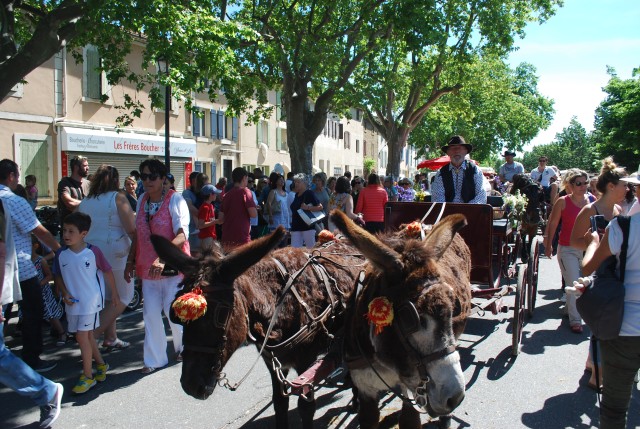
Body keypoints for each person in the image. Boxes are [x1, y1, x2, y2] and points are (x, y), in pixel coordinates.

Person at [0, 199, 64, 427]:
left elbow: (2, 250)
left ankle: (46, 391)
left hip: (25, 275)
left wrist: (62, 252)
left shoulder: (6, 202)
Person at [124, 159, 190, 374]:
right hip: (147, 270)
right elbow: (138, 235)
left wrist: (162, 258)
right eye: (144, 176)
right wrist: (130, 261)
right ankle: (154, 359)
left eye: (153, 176)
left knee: (175, 312)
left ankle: (183, 348)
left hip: (172, 268)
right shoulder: (141, 199)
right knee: (150, 314)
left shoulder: (175, 200)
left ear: (163, 179)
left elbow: (182, 235)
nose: (148, 181)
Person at [569, 158, 628, 386]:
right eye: (624, 185)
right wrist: (595, 244)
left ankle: (591, 362)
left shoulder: (619, 210)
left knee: (605, 320)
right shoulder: (589, 210)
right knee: (603, 318)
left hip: (616, 270)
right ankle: (597, 371)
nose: (628, 189)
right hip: (597, 270)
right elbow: (574, 240)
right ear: (611, 186)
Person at [0, 159, 61, 372]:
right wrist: (60, 249)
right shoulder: (14, 200)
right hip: (20, 267)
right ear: (10, 177)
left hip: (3, 268)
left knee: (3, 312)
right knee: (33, 313)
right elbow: (38, 230)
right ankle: (31, 359)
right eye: (17, 175)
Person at [582, 212, 640, 429]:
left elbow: (589, 267)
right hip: (625, 328)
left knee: (615, 409)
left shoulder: (623, 226)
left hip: (625, 328)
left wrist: (593, 243)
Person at [53, 212, 116, 393]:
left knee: (82, 337)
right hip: (72, 303)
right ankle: (101, 365)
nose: (66, 235)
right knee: (86, 337)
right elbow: (57, 275)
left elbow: (108, 271)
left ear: (83, 233)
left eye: (71, 231)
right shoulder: (60, 254)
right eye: (64, 230)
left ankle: (87, 377)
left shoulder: (93, 252)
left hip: (91, 301)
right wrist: (64, 293)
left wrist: (115, 295)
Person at [78, 165, 136, 351]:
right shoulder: (118, 198)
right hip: (116, 253)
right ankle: (91, 337)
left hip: (90, 252)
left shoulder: (85, 201)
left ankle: (111, 338)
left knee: (107, 298)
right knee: (124, 297)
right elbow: (132, 230)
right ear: (116, 181)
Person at [543, 169, 594, 333]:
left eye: (585, 183)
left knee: (586, 284)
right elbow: (553, 223)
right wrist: (548, 244)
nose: (583, 186)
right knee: (574, 283)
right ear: (571, 186)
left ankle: (569, 308)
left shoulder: (592, 201)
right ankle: (575, 320)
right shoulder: (563, 201)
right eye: (579, 183)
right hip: (567, 249)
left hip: (587, 249)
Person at [31, 236, 66, 347]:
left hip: (43, 292)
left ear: (35, 246)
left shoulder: (40, 260)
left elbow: (49, 275)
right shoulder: (24, 262)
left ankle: (62, 333)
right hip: (31, 291)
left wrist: (40, 283)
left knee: (50, 313)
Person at [431, 135, 487, 204]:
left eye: (460, 148)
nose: (456, 151)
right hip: (447, 213)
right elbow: (438, 199)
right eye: (453, 148)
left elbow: (481, 196)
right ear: (448, 152)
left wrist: (466, 210)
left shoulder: (475, 171)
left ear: (466, 151)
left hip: (471, 213)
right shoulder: (440, 173)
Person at [218, 167, 257, 249]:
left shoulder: (226, 196)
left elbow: (220, 219)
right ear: (244, 178)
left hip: (226, 239)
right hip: (242, 239)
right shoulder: (246, 192)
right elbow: (253, 214)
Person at [57, 155, 90, 233]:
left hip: (87, 230)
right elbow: (69, 202)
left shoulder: (89, 184)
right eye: (85, 166)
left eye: (87, 165)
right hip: (70, 231)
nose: (88, 168)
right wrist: (89, 204)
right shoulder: (65, 183)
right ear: (76, 167)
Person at [290, 173, 322, 248]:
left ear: (304, 183)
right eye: (295, 182)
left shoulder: (309, 193)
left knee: (311, 250)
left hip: (307, 227)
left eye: (298, 182)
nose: (296, 184)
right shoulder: (296, 195)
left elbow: (320, 207)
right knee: (295, 252)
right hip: (296, 227)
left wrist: (307, 207)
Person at [197, 184, 222, 251]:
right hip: (206, 238)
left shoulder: (210, 206)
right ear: (211, 194)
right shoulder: (205, 207)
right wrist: (215, 222)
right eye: (215, 193)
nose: (216, 195)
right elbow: (200, 225)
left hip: (211, 236)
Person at [183, 171, 201, 253]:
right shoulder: (187, 193)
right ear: (194, 181)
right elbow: (190, 207)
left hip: (200, 229)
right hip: (192, 230)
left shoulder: (198, 192)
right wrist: (203, 216)